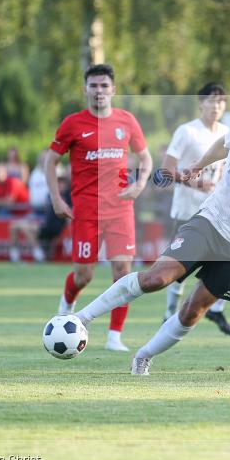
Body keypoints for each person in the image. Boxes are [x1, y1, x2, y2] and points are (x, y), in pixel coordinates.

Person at [71, 62, 230, 375]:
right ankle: (79, 319)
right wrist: (197, 165)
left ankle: (143, 356)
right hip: (210, 221)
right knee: (156, 278)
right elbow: (225, 143)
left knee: (194, 309)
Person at [45, 63, 153, 352]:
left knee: (123, 274)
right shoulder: (72, 124)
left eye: (104, 85)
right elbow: (51, 161)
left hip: (120, 210)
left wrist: (140, 184)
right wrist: (57, 199)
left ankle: (114, 337)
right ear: (85, 90)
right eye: (93, 85)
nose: (99, 91)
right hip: (86, 211)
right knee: (85, 275)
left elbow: (146, 158)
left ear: (113, 89)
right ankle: (66, 305)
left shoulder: (127, 121)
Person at [159, 82, 230, 334]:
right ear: (200, 103)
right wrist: (195, 182)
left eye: (221, 101)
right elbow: (167, 170)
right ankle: (169, 313)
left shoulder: (228, 131)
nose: (217, 106)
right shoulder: (187, 132)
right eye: (212, 101)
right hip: (187, 212)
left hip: (217, 212)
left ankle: (215, 309)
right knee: (177, 271)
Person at [10, 172, 71, 263]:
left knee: (24, 228)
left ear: (66, 185)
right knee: (13, 226)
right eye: (58, 183)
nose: (59, 185)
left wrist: (69, 234)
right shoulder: (52, 195)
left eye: (61, 183)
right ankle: (15, 256)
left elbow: (69, 217)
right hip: (45, 225)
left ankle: (39, 255)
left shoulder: (68, 197)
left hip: (54, 228)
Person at [28, 150, 50, 214]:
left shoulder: (57, 171)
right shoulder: (34, 174)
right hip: (35, 209)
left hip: (51, 210)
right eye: (42, 158)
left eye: (45, 158)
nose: (43, 160)